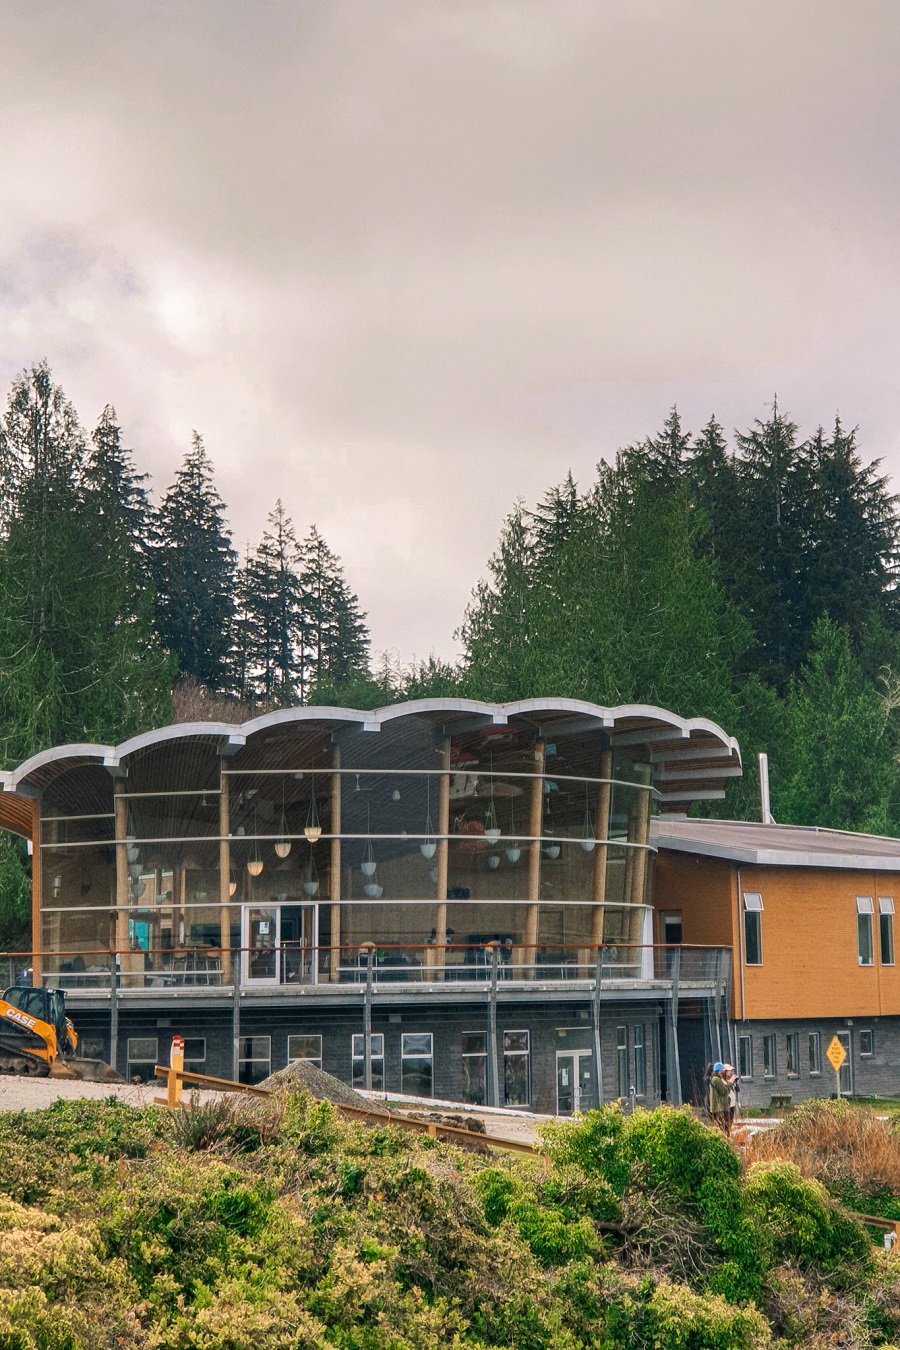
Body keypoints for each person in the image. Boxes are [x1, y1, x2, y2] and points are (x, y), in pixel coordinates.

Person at [707, 1062, 731, 1133]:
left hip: (716, 1108)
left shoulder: (713, 1079)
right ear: (718, 1070)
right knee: (723, 1127)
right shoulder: (716, 1080)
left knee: (720, 1126)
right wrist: (730, 1084)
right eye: (721, 1071)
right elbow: (724, 1091)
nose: (722, 1072)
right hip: (719, 1107)